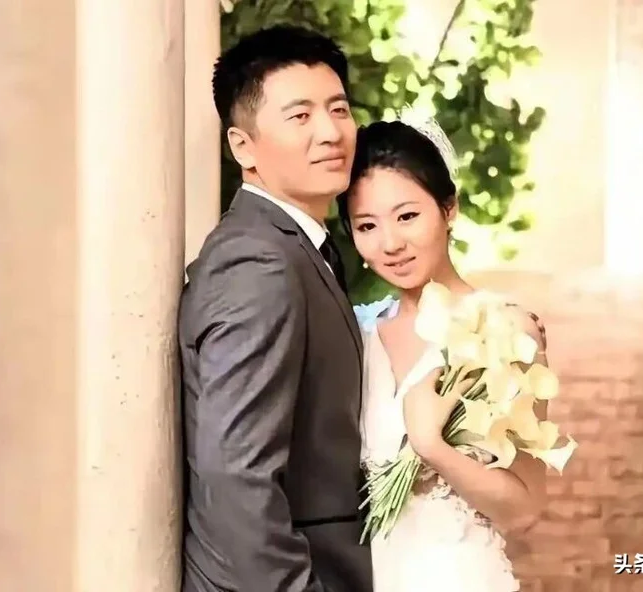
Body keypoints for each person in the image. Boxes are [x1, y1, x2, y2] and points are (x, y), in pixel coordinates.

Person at [178, 25, 373, 592]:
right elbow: (236, 473)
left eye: (339, 109)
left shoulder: (293, 248)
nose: (330, 132)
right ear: (243, 146)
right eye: (300, 116)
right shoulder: (258, 263)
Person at [337, 117, 549, 592]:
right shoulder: (356, 334)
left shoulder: (504, 331)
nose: (390, 243)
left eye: (407, 216)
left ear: (449, 209)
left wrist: (431, 446)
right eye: (367, 225)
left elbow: (525, 510)